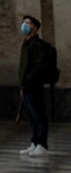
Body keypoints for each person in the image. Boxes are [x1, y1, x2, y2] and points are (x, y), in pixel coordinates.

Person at [19, 14, 59, 158]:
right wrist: (22, 86)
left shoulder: (38, 45)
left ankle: (42, 144)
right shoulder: (27, 43)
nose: (24, 25)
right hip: (27, 85)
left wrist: (28, 81)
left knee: (38, 115)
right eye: (23, 22)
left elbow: (39, 66)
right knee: (32, 116)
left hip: (34, 85)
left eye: (27, 23)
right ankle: (35, 142)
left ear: (35, 28)